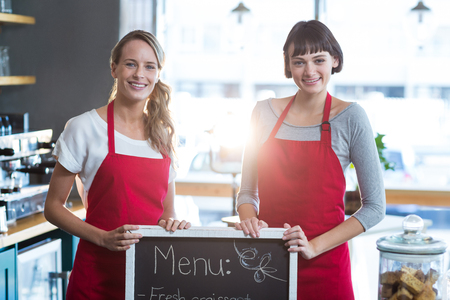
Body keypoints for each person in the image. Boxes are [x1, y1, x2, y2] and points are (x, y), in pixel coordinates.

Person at [235, 20, 385, 299]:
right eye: (299, 62)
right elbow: (246, 193)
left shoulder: (351, 118)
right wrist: (249, 220)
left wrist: (314, 246)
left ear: (334, 60)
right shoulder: (263, 113)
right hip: (267, 265)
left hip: (327, 270)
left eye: (319, 60)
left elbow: (375, 207)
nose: (310, 71)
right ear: (288, 65)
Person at [44, 30, 191, 300]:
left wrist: (173, 224)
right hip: (96, 277)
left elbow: (166, 211)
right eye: (130, 64)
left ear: (158, 74)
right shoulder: (84, 127)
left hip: (150, 278)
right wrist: (102, 238)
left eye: (150, 66)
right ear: (114, 68)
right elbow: (52, 207)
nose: (139, 74)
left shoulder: (163, 135)